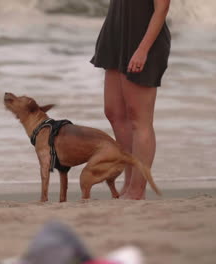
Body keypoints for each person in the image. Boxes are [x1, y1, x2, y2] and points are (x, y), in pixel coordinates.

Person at [90, 0, 171, 199]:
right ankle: (128, 184)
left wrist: (143, 50)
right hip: (117, 36)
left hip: (143, 41)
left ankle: (137, 190)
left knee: (139, 119)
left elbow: (162, 9)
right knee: (114, 113)